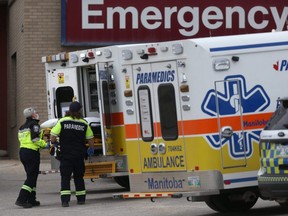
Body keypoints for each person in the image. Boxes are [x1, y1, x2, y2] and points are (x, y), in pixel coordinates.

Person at [50, 101, 94, 207]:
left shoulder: (62, 121)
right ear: (79, 111)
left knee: (65, 177)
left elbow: (53, 136)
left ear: (69, 110)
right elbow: (90, 138)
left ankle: (65, 201)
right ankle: (81, 199)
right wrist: (91, 148)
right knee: (79, 177)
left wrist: (55, 143)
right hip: (79, 155)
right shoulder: (83, 123)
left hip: (66, 155)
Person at [15, 107, 49, 208]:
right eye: (36, 112)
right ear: (33, 115)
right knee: (31, 177)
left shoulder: (21, 127)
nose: (37, 113)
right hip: (31, 153)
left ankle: (31, 199)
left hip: (23, 152)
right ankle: (21, 199)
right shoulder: (34, 125)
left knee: (32, 176)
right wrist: (45, 144)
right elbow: (35, 139)